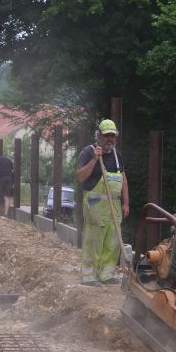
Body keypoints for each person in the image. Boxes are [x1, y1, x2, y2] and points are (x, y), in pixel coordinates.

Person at [75, 119, 130, 286]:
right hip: (95, 205)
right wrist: (94, 159)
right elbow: (80, 177)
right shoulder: (88, 152)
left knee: (113, 242)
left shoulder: (117, 155)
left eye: (113, 136)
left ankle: (106, 275)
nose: (110, 139)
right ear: (99, 136)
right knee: (94, 241)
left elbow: (124, 180)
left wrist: (126, 203)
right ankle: (89, 277)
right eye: (107, 136)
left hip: (115, 205)